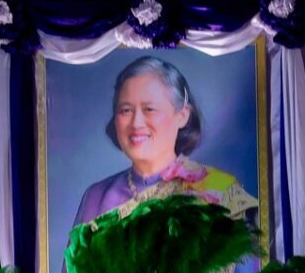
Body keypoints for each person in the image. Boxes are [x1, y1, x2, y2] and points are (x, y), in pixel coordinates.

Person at [72, 54, 256, 226]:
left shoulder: (221, 190)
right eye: (126, 110)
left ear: (182, 115)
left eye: (149, 109)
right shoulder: (95, 196)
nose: (136, 123)